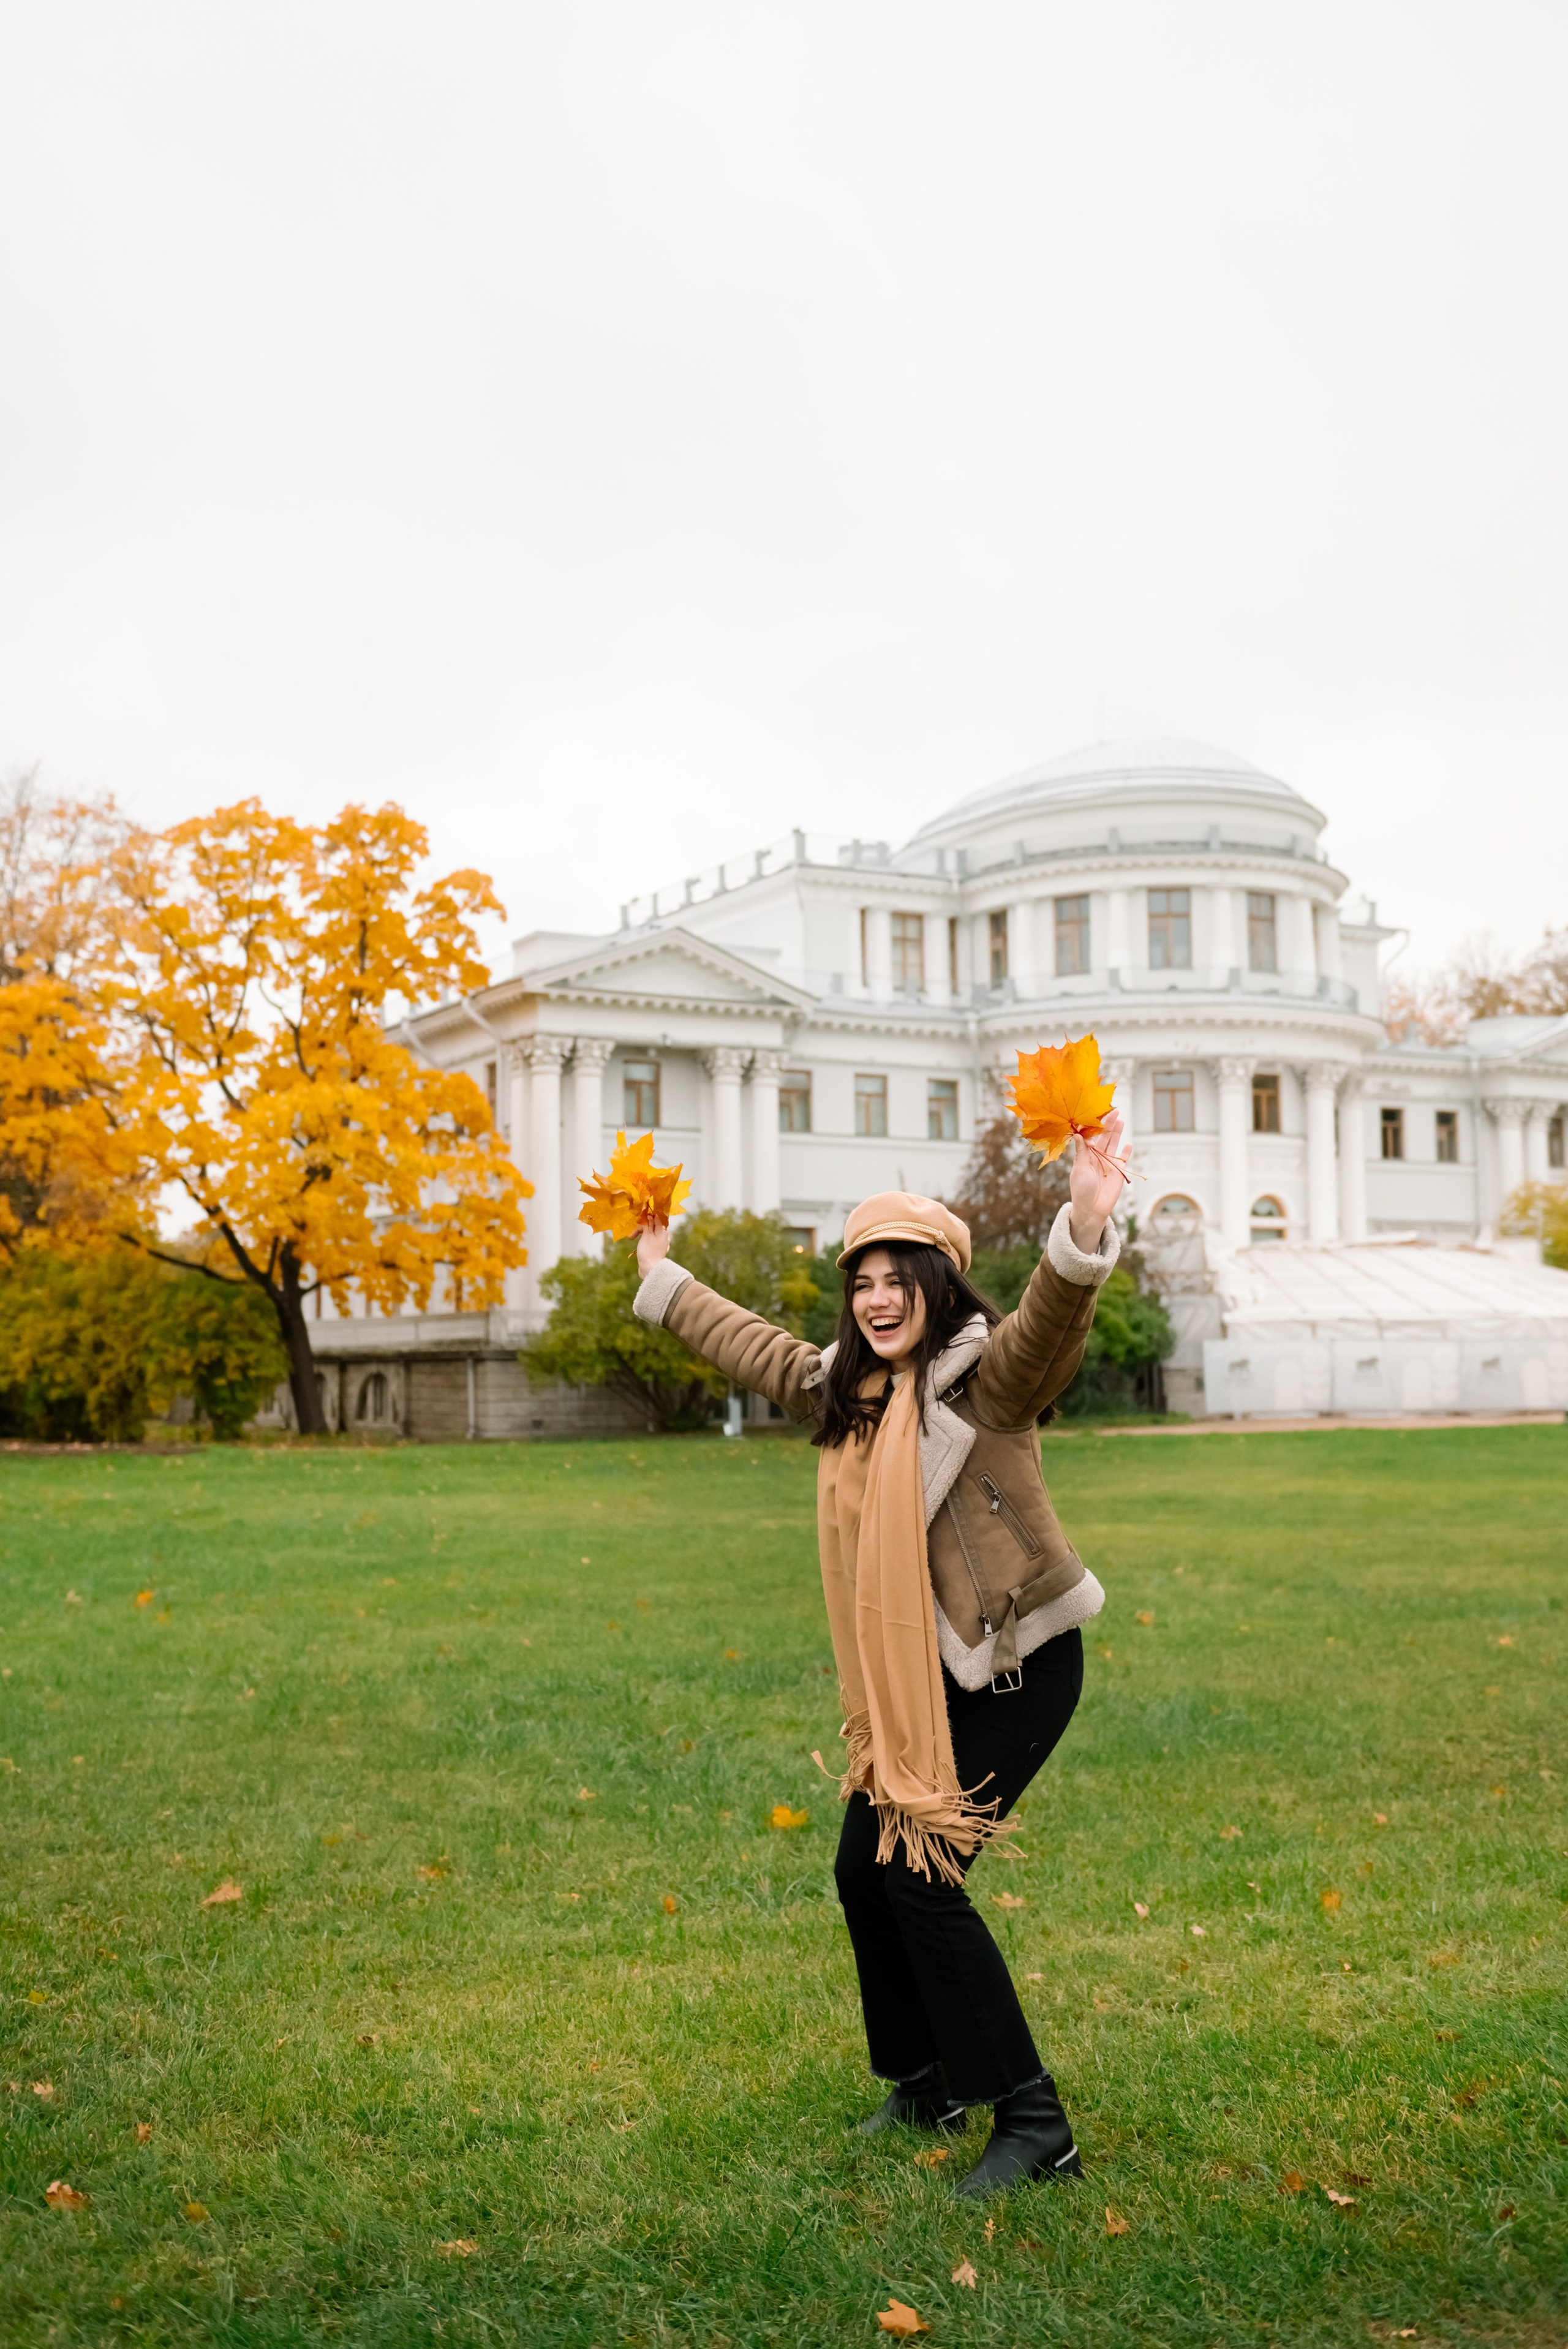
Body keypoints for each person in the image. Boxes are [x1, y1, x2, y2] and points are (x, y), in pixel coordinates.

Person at [631, 1112, 1126, 2198]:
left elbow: (1047, 1329)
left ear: (940, 1289)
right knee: (866, 1869)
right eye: (863, 1279)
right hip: (924, 1684)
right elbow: (753, 1344)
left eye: (903, 1278)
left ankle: (1034, 2121)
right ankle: (925, 2083)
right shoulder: (846, 1392)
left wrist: (1083, 1227)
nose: (879, 1297)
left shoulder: (986, 1381)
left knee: (922, 1876)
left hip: (1013, 1668)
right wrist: (662, 1275)